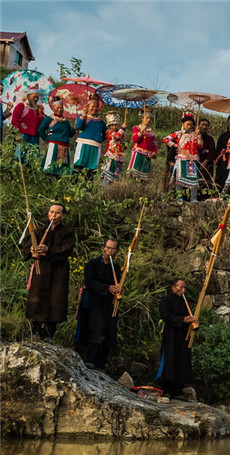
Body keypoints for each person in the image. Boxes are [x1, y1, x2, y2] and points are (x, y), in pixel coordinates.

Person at [20, 204, 75, 343]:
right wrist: (32, 251)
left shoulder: (68, 232)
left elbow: (67, 249)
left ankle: (49, 334)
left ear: (62, 216)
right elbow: (26, 248)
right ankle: (35, 331)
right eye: (52, 212)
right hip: (41, 268)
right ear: (48, 214)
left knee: (56, 299)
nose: (54, 215)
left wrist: (48, 249)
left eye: (57, 213)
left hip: (59, 270)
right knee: (37, 297)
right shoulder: (39, 231)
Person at [76, 239, 121, 370]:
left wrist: (118, 289)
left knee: (109, 330)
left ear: (116, 251)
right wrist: (107, 288)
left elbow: (117, 283)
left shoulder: (116, 267)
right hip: (94, 302)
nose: (110, 251)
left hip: (109, 303)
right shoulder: (93, 264)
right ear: (103, 249)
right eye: (108, 248)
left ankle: (101, 363)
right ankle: (91, 360)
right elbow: (89, 281)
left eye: (112, 249)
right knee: (97, 329)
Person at [157, 279, 197, 401]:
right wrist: (182, 320)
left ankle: (178, 389)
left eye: (184, 288)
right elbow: (165, 316)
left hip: (183, 335)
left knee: (182, 360)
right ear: (173, 288)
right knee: (170, 359)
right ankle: (167, 389)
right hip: (171, 334)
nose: (183, 290)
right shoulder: (166, 300)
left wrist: (191, 321)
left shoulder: (185, 302)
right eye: (181, 287)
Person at [163, 115, 204, 202]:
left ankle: (193, 198)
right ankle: (179, 196)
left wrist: (198, 135)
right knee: (179, 179)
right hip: (181, 159)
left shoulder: (194, 135)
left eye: (191, 125)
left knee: (194, 179)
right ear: (182, 123)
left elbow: (200, 146)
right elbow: (166, 139)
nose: (189, 127)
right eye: (187, 124)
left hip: (193, 160)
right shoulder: (178, 134)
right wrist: (175, 145)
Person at [38, 98, 76, 177]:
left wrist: (76, 127)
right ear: (53, 108)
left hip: (65, 147)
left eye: (61, 107)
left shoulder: (65, 121)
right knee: (50, 166)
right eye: (57, 108)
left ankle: (58, 186)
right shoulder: (49, 119)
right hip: (54, 146)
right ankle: (48, 184)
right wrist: (47, 139)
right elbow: (40, 130)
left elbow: (70, 134)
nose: (59, 109)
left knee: (62, 169)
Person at [73, 97, 108, 176]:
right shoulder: (82, 117)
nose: (95, 108)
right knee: (78, 166)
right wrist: (83, 115)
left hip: (95, 147)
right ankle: (73, 186)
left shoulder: (101, 121)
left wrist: (99, 140)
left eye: (96, 107)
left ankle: (88, 187)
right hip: (82, 145)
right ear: (87, 107)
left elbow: (106, 134)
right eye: (92, 106)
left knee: (91, 169)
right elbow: (78, 126)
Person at [11, 88, 44, 164]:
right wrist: (17, 135)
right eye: (34, 97)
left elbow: (41, 123)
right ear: (28, 96)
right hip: (22, 135)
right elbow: (15, 120)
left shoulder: (38, 108)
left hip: (35, 137)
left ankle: (30, 175)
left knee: (33, 159)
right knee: (20, 157)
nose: (35, 99)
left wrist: (41, 112)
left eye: (37, 97)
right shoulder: (21, 106)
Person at [129, 111, 158, 182]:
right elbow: (135, 140)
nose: (149, 120)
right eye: (147, 118)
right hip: (138, 154)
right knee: (134, 175)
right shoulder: (136, 128)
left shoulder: (151, 132)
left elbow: (154, 144)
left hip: (147, 156)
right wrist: (141, 131)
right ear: (142, 118)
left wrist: (154, 152)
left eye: (150, 118)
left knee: (144, 179)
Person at [100, 112, 126, 186]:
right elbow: (116, 137)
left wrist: (124, 138)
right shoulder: (109, 132)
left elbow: (124, 144)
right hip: (111, 155)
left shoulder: (120, 133)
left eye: (115, 124)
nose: (114, 127)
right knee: (108, 172)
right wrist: (123, 129)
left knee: (116, 173)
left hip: (119, 156)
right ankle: (104, 187)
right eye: (112, 125)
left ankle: (113, 189)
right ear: (109, 126)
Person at [197, 119, 218, 200]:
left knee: (206, 183)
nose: (204, 127)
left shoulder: (210, 139)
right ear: (199, 126)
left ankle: (205, 198)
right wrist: (204, 151)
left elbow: (212, 152)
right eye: (202, 124)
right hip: (195, 163)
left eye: (206, 125)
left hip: (207, 165)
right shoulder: (193, 137)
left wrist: (205, 162)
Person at [215, 115, 230, 191]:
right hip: (224, 161)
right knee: (222, 179)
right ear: (228, 121)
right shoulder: (223, 135)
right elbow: (218, 149)